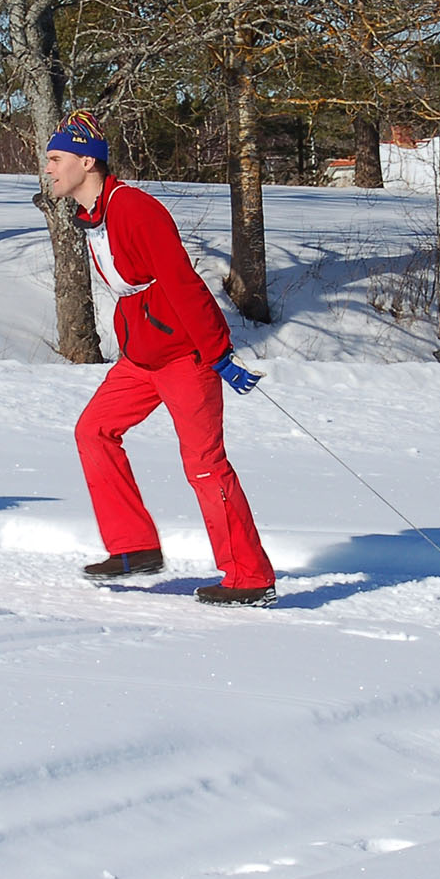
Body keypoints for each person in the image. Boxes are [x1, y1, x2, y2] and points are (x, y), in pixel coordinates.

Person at [43, 110, 278, 606]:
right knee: (94, 430)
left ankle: (250, 576)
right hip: (142, 358)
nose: (49, 168)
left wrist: (218, 353)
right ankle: (134, 548)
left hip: (184, 355)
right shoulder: (95, 214)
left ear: (88, 162)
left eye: (56, 159)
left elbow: (182, 283)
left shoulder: (136, 210)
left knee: (204, 463)